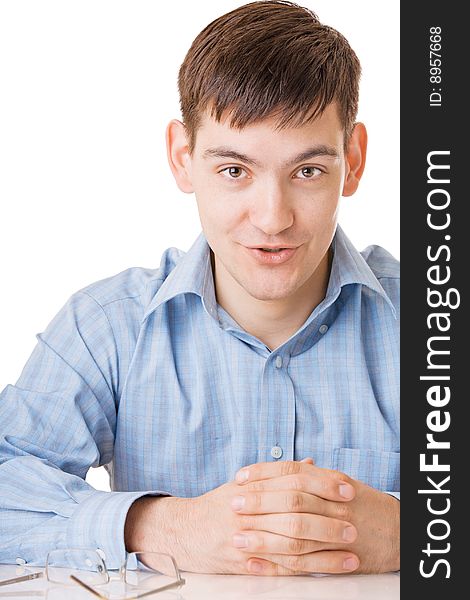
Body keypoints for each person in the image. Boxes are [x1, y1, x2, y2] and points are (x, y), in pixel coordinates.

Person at [0, 0, 399, 576]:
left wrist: (416, 528)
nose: (272, 218)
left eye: (307, 171)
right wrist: (160, 525)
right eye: (234, 170)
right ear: (183, 159)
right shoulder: (106, 326)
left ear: (354, 160)